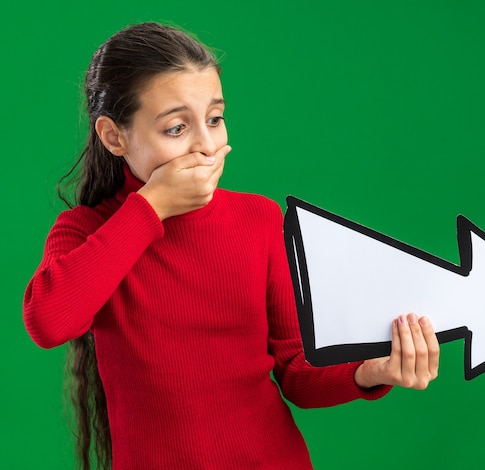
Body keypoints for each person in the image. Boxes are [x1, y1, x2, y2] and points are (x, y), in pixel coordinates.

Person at [23, 22, 439, 470]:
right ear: (113, 137)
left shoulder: (258, 220)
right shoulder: (87, 231)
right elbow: (49, 321)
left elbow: (295, 369)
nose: (206, 145)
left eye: (215, 119)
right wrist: (152, 207)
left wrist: (372, 370)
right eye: (177, 128)